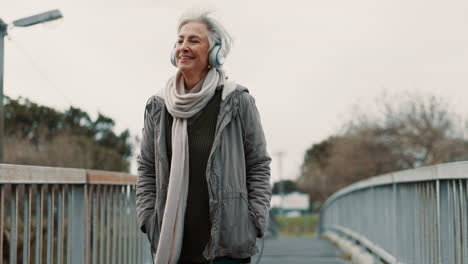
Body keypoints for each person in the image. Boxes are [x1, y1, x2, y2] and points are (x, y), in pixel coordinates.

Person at [136, 10, 271, 264]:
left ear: (214, 53)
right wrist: (148, 219)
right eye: (180, 41)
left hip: (226, 245)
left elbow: (259, 165)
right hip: (173, 244)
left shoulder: (237, 101)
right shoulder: (158, 106)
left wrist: (254, 219)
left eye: (194, 41)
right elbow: (146, 167)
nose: (184, 47)